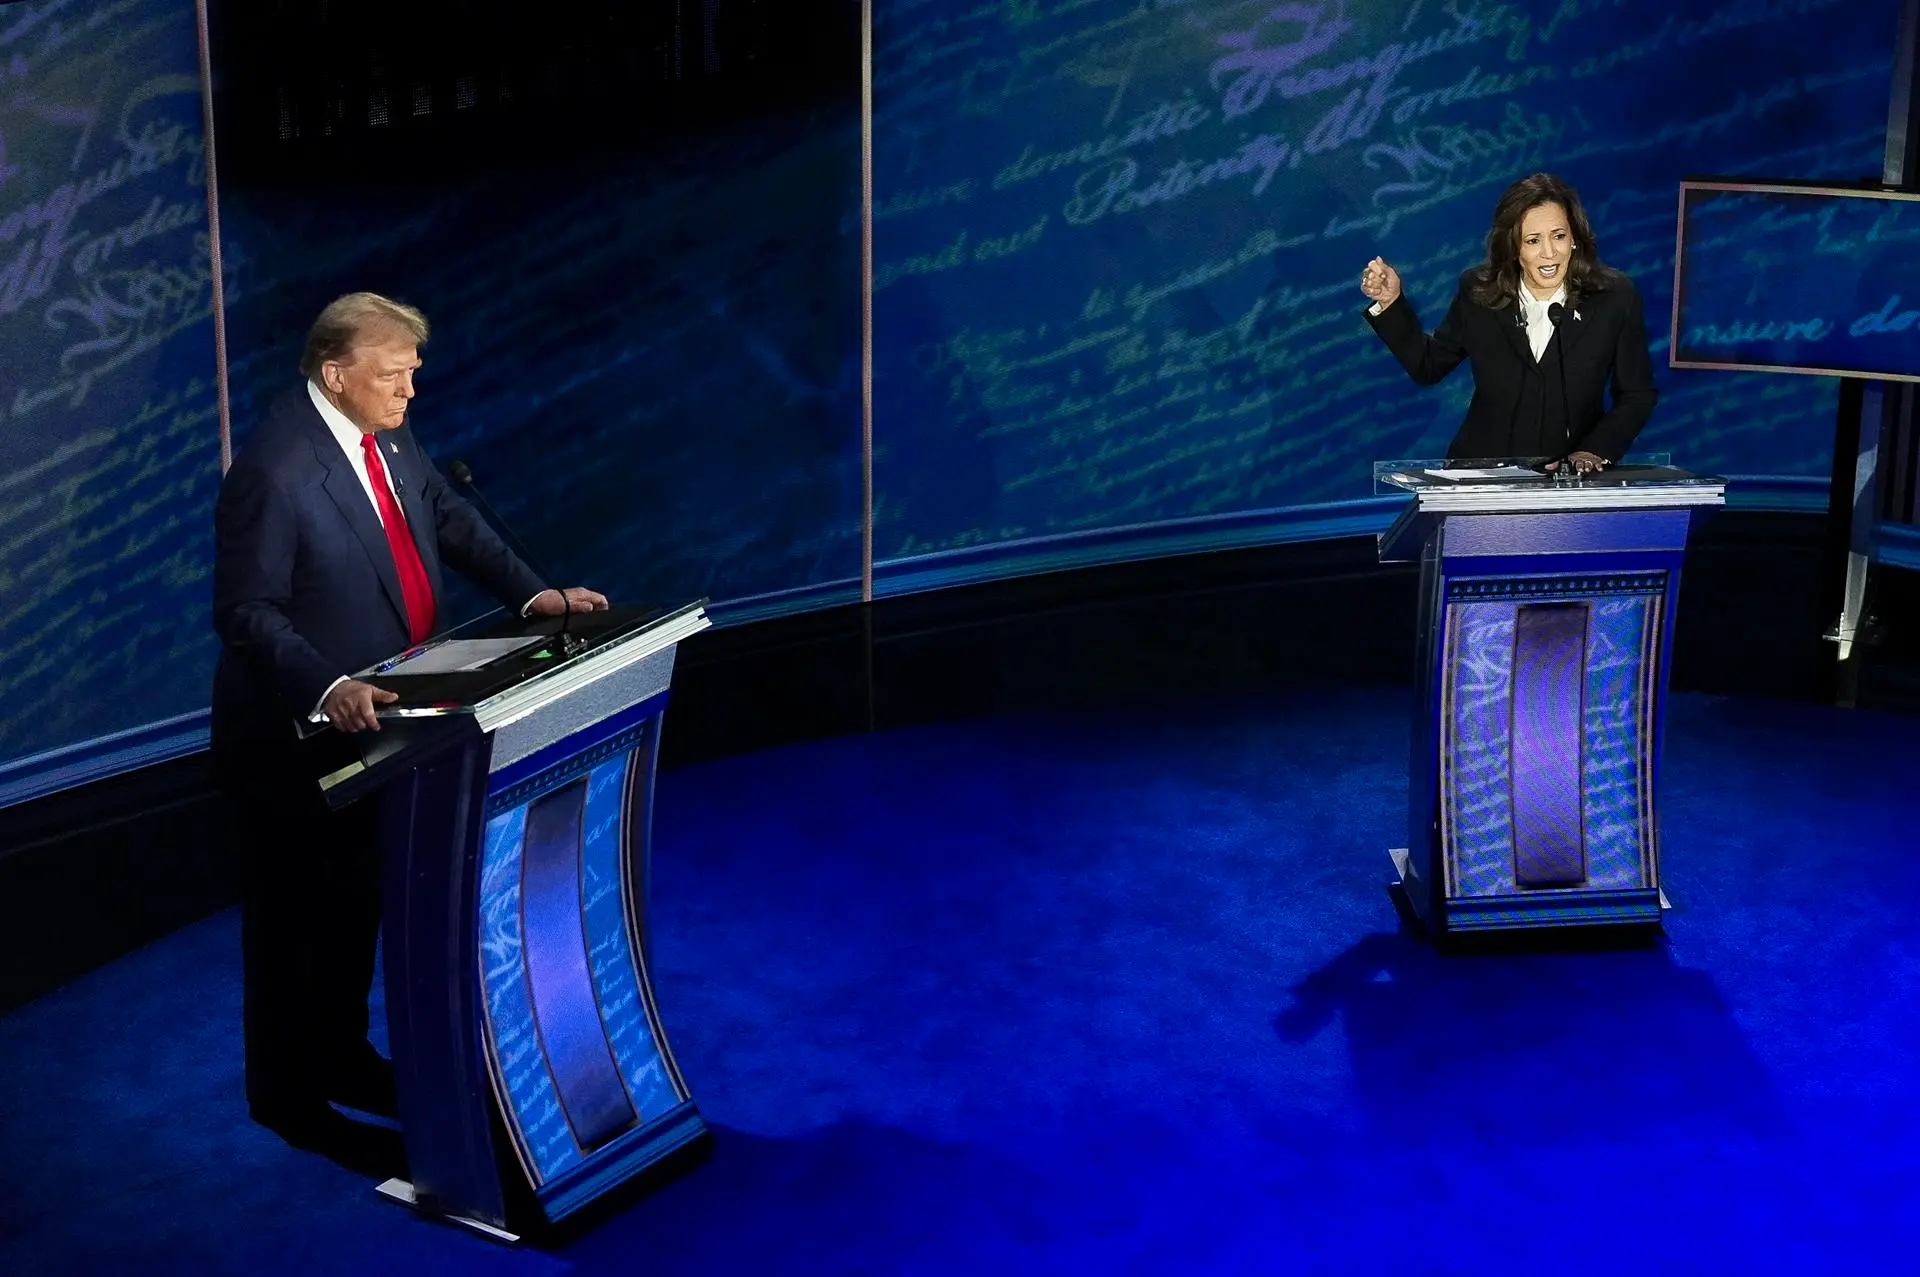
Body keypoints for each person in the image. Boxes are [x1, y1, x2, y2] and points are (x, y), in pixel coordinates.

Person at [210, 291, 607, 1171]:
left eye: (414, 373)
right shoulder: (274, 471)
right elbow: (246, 612)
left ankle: (343, 1055)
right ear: (335, 374)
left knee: (353, 905)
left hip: (385, 726)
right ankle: (287, 1097)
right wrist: (327, 682)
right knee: (291, 924)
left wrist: (534, 596)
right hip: (293, 742)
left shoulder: (385, 433)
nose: (409, 392)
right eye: (394, 375)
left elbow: (447, 517)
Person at [1359, 173, 1658, 474]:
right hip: (1481, 476)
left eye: (1559, 236)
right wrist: (1391, 302)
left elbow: (1637, 394)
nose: (1549, 253)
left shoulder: (1614, 297)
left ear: (1575, 240)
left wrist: (1595, 450)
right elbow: (1428, 366)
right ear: (1514, 248)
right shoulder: (1480, 293)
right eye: (1533, 241)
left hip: (1568, 479)